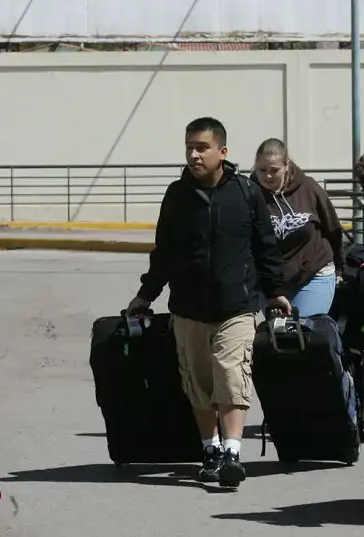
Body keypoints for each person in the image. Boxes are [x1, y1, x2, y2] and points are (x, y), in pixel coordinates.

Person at [127, 117, 292, 489]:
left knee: (232, 374)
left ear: (223, 152)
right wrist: (146, 294)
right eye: (189, 147)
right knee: (199, 383)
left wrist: (275, 291)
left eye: (202, 147)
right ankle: (211, 448)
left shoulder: (246, 193)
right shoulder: (176, 195)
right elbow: (164, 253)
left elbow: (266, 247)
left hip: (237, 306)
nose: (194, 154)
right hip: (188, 308)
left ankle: (233, 452)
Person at [252, 138, 345, 316]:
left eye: (274, 170)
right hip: (269, 280)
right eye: (262, 170)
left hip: (313, 272)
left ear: (286, 165)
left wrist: (340, 269)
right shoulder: (250, 193)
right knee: (268, 336)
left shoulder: (309, 188)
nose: (268, 176)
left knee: (303, 331)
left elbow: (332, 228)